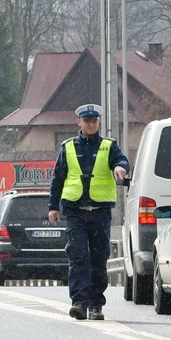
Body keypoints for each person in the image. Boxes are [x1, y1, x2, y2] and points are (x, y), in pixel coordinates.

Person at [48, 104, 130, 321]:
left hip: (100, 212)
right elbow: (58, 179)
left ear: (99, 122)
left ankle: (95, 305)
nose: (91, 124)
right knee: (78, 256)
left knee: (98, 257)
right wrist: (53, 207)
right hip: (75, 211)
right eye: (87, 121)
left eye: (94, 121)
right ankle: (79, 303)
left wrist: (120, 168)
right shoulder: (68, 147)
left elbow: (121, 161)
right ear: (79, 122)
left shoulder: (108, 146)